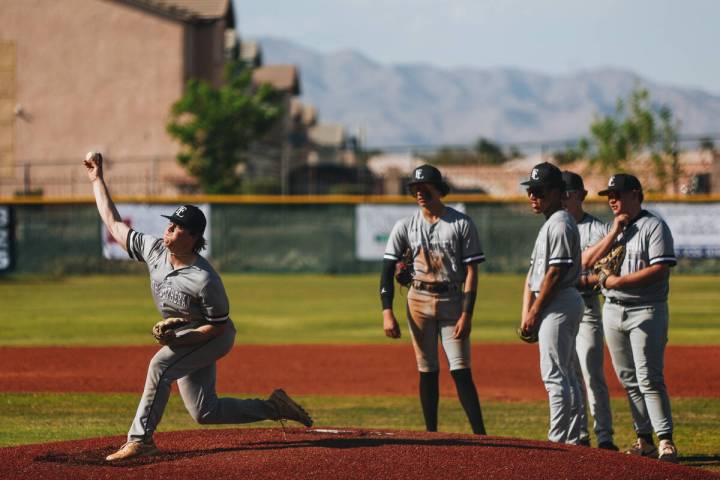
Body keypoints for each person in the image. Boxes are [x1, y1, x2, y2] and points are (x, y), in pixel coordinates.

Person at [83, 152, 312, 462]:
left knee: (160, 366)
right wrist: (97, 179)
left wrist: (177, 339)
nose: (169, 230)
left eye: (178, 227)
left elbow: (216, 327)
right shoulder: (154, 250)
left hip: (213, 336)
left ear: (193, 238)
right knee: (205, 411)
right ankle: (274, 406)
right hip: (189, 332)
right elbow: (113, 224)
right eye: (170, 224)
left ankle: (141, 439)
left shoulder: (204, 279)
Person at [380, 164, 487, 435]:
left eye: (424, 188)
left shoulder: (460, 223)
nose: (419, 193)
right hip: (417, 300)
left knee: (460, 369)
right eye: (415, 189)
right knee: (427, 370)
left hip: (452, 299)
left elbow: (473, 271)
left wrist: (467, 313)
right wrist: (387, 312)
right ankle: (432, 434)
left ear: (439, 190)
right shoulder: (405, 226)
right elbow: (386, 269)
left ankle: (481, 434)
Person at [595, 173, 678, 463]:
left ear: (635, 194)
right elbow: (594, 263)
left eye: (617, 194)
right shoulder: (613, 228)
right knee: (628, 378)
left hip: (647, 309)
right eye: (609, 195)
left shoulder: (653, 226)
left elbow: (660, 269)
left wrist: (618, 282)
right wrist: (612, 235)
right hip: (613, 310)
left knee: (649, 378)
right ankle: (644, 440)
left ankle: (665, 440)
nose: (612, 200)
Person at [519, 162, 584, 444]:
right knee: (567, 375)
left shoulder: (558, 224)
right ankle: (573, 439)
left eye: (540, 191)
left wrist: (534, 311)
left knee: (555, 377)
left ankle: (558, 441)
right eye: (530, 190)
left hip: (558, 302)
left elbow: (555, 273)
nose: (533, 195)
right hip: (562, 302)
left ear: (558, 192)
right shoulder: (555, 222)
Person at [561, 171, 622, 450]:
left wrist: (581, 279)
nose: (562, 198)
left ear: (580, 196)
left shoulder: (599, 230)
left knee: (591, 372)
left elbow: (607, 274)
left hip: (586, 307)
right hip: (560, 308)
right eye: (558, 193)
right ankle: (579, 435)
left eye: (567, 193)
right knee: (568, 374)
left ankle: (605, 436)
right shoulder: (554, 226)